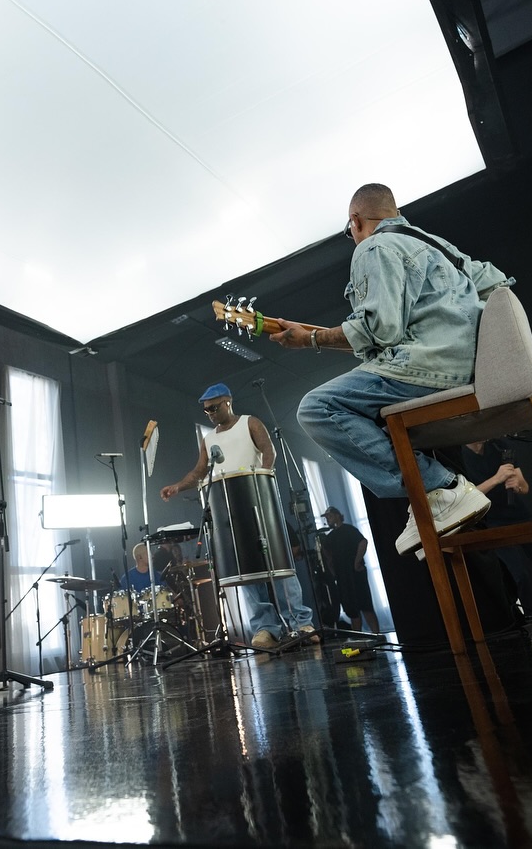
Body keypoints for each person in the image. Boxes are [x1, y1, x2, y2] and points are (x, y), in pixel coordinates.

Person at [270, 184, 511, 559]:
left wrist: (311, 340)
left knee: (317, 408)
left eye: (350, 231)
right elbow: (497, 284)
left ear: (356, 221)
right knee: (368, 415)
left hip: (427, 370)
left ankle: (441, 488)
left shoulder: (374, 247)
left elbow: (380, 330)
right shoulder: (437, 245)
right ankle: (430, 501)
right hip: (473, 371)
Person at [160, 383, 318, 648]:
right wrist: (178, 486)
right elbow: (199, 471)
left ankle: (300, 622)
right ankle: (265, 628)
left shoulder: (249, 423)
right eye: (206, 410)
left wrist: (262, 479)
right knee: (245, 569)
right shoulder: (209, 439)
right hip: (229, 510)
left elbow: (269, 451)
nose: (210, 414)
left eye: (214, 408)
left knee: (277, 563)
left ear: (228, 401)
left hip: (258, 501)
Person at [456, 440, 532, 619]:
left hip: (519, 514)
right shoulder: (459, 455)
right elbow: (465, 497)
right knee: (519, 575)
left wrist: (517, 485)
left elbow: (525, 487)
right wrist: (496, 479)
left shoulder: (500, 446)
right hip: (492, 521)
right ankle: (531, 620)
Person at [317, 507, 380, 633]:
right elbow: (326, 553)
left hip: (356, 574)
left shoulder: (349, 530)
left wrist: (357, 562)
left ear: (337, 515)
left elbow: (363, 542)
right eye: (326, 517)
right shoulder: (330, 537)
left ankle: (377, 635)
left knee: (365, 605)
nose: (328, 519)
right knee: (351, 609)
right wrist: (333, 571)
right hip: (342, 576)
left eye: (330, 516)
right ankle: (359, 637)